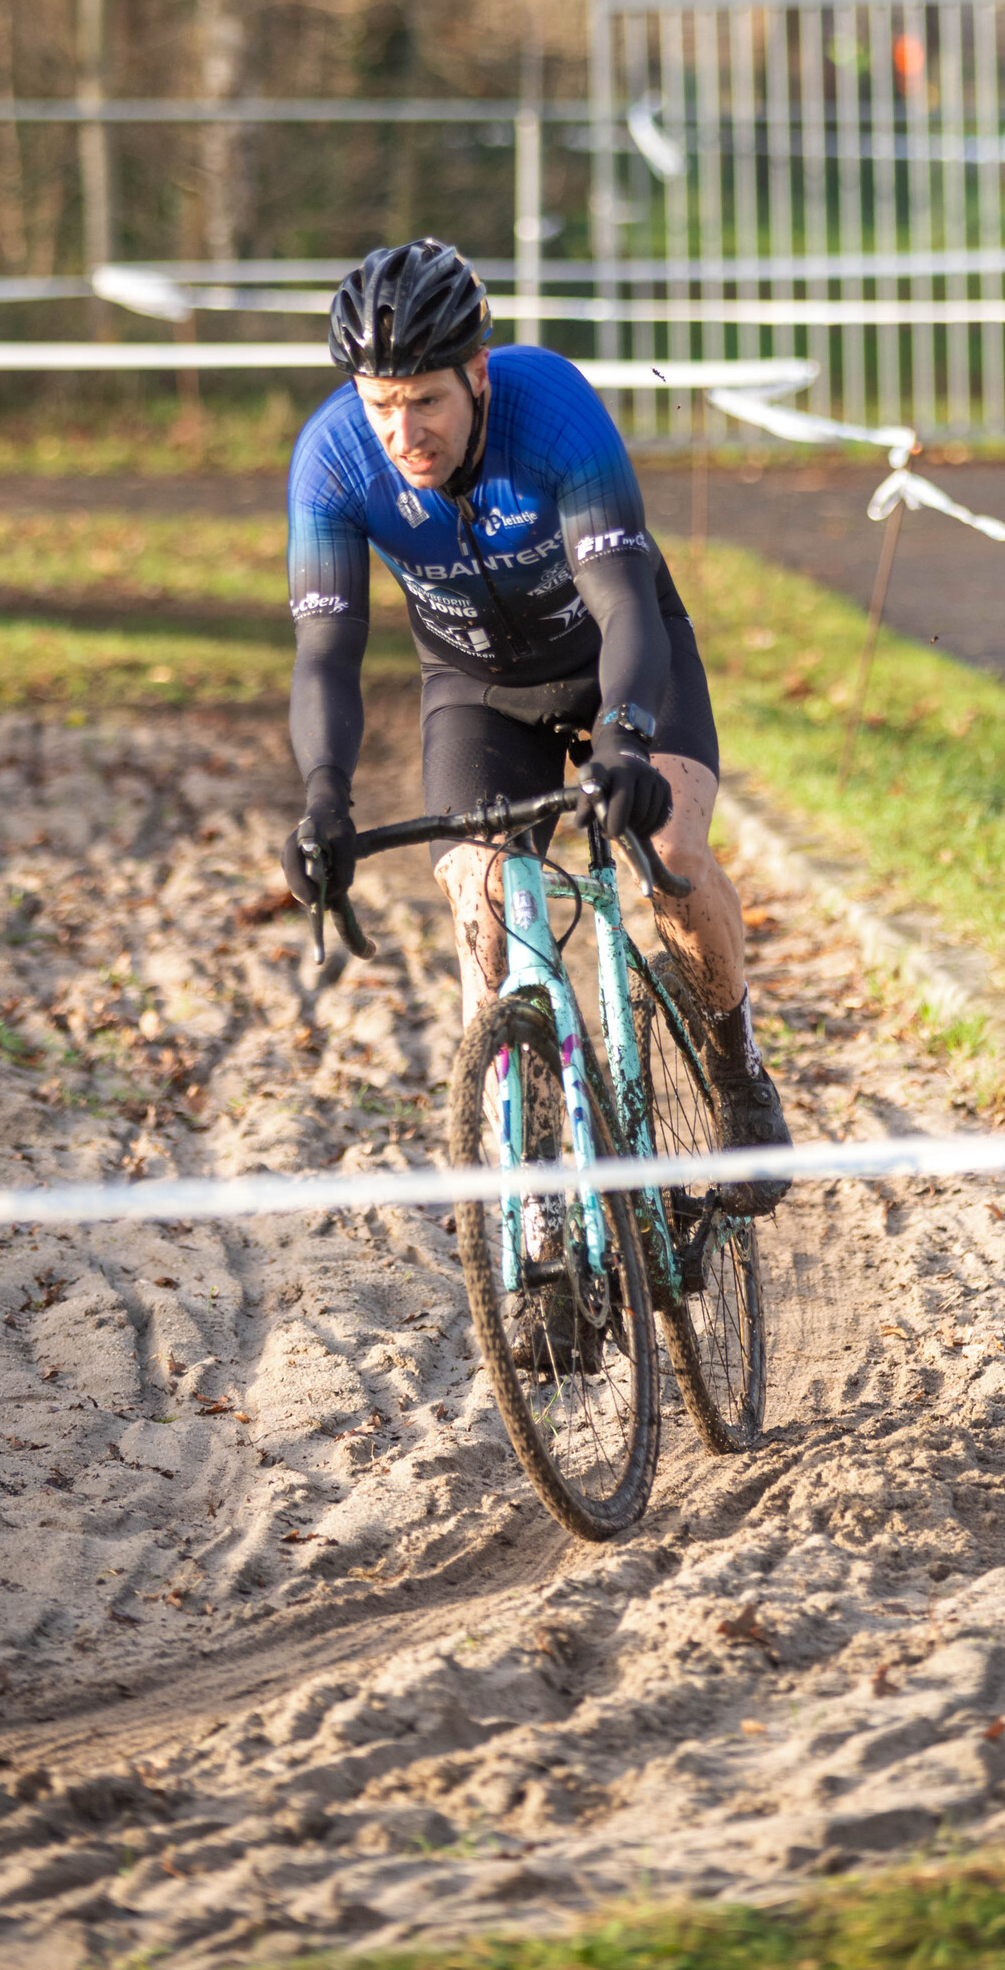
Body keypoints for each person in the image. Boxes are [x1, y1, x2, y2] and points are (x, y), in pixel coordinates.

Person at [278, 238, 791, 1252]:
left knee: (675, 856)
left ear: (475, 371)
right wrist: (323, 799)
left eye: (424, 400)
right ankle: (538, 1210)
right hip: (475, 692)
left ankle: (734, 1069)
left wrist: (625, 742)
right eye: (380, 404)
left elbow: (622, 601)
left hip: (618, 657)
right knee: (478, 901)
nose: (401, 431)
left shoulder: (550, 407)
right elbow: (327, 655)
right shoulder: (331, 459)